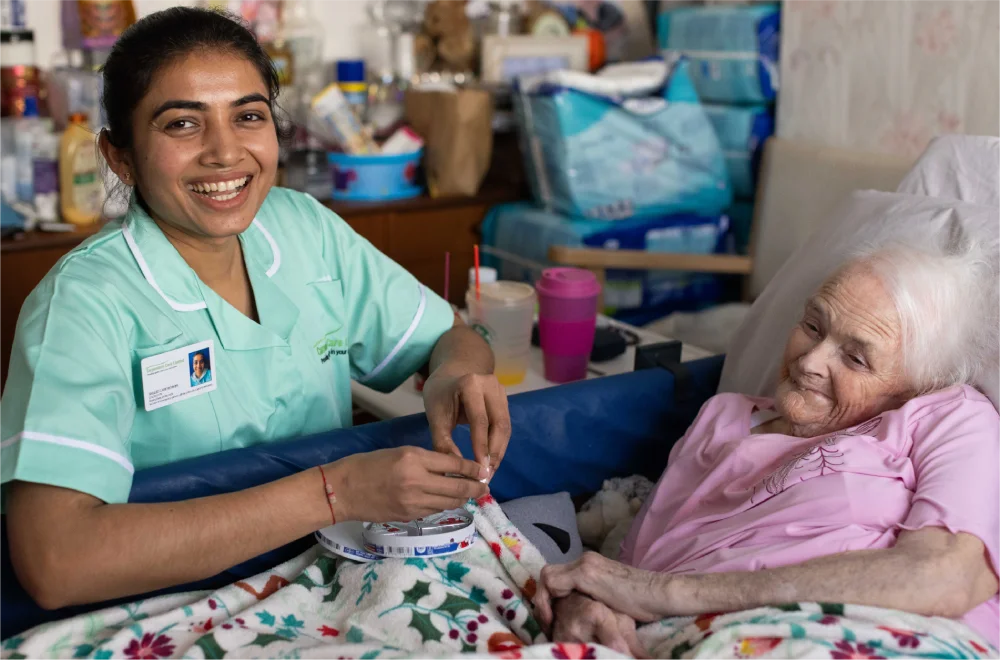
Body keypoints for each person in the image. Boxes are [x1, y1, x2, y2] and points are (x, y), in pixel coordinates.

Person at [0, 8, 511, 611]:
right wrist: (335, 493)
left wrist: (454, 373)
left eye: (248, 116)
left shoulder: (303, 229)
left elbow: (452, 337)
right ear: (121, 157)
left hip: (336, 577)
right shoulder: (84, 303)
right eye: (182, 124)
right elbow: (55, 560)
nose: (225, 152)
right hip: (174, 605)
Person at [535, 242, 1000, 656]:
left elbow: (946, 574)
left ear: (914, 388)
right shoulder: (723, 419)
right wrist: (590, 599)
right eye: (813, 326)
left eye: (856, 358)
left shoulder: (949, 416)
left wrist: (670, 593)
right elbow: (629, 577)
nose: (810, 361)